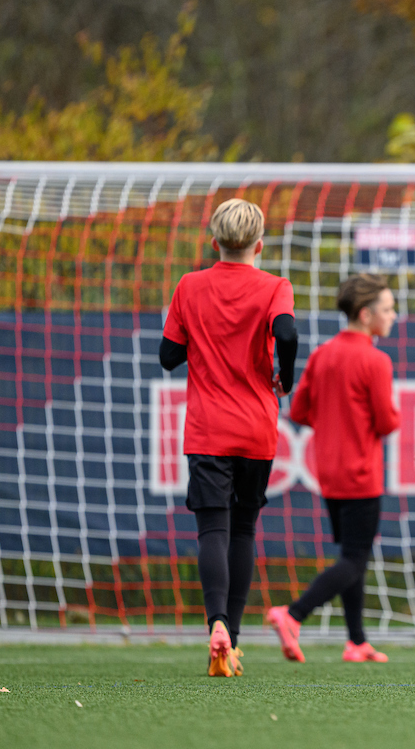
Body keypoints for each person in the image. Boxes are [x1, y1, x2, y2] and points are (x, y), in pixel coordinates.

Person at [159, 198, 298, 677]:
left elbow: (168, 356)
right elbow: (287, 331)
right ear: (259, 245)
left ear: (214, 241)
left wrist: (202, 336)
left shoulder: (190, 285)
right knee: (244, 529)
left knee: (212, 530)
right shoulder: (275, 286)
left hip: (207, 429)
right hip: (256, 427)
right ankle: (232, 641)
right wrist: (287, 373)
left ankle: (215, 623)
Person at [267, 274, 400, 664]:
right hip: (362, 472)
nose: (393, 316)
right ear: (365, 314)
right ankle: (293, 614)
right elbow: (387, 422)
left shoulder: (324, 354)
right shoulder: (375, 359)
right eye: (388, 309)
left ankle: (357, 641)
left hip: (328, 472)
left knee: (349, 555)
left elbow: (300, 410)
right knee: (355, 559)